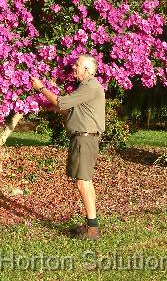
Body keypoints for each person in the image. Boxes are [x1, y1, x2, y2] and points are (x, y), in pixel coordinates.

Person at [31, 54, 105, 240]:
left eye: (78, 66)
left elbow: (62, 102)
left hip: (84, 140)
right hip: (84, 139)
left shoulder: (90, 85)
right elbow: (72, 108)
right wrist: (51, 108)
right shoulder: (88, 87)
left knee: (82, 182)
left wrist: (41, 88)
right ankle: (91, 224)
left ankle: (93, 229)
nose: (74, 68)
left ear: (87, 70)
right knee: (85, 181)